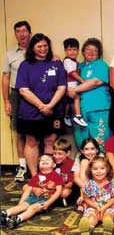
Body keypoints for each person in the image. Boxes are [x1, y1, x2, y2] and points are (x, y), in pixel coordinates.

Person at [15, 33, 66, 177]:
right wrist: (42, 106)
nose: (43, 49)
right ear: (32, 48)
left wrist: (50, 106)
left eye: (45, 46)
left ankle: (49, 175)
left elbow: (62, 87)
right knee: (32, 141)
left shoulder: (56, 64)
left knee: (50, 140)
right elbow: (23, 90)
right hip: (30, 111)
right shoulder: (25, 65)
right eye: (39, 46)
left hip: (54, 109)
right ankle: (35, 176)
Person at [68, 38, 111, 151]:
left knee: (100, 142)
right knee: (82, 143)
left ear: (99, 53)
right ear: (82, 51)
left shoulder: (101, 64)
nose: (91, 52)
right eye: (88, 49)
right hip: (80, 112)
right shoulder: (79, 66)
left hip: (98, 108)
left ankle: (102, 167)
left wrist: (74, 90)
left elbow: (96, 82)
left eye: (95, 50)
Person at [0, 153, 64, 229]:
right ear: (39, 165)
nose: (44, 161)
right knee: (22, 206)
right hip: (33, 197)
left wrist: (48, 203)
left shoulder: (56, 176)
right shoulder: (36, 176)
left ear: (54, 165)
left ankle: (18, 219)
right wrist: (21, 202)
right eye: (42, 160)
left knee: (33, 208)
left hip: (46, 199)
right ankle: (5, 213)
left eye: (47, 160)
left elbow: (58, 191)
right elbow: (28, 190)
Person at [2, 20, 31, 181]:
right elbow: (5, 77)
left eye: (24, 31)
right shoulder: (10, 54)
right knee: (19, 131)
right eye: (18, 31)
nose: (21, 34)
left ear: (30, 33)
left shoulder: (37, 50)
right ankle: (22, 166)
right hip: (16, 95)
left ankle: (41, 166)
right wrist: (7, 101)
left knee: (36, 132)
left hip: (35, 94)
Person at [77, 157, 114, 234]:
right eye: (95, 169)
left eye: (102, 168)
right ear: (90, 170)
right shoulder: (88, 184)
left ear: (108, 169)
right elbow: (86, 198)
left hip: (108, 206)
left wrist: (104, 207)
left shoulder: (112, 183)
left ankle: (109, 227)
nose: (99, 172)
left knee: (108, 216)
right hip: (94, 206)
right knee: (92, 216)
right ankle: (88, 227)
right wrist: (96, 206)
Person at [62, 37, 87, 127]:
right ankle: (78, 116)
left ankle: (67, 116)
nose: (72, 52)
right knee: (76, 98)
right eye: (69, 50)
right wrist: (82, 81)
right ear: (65, 51)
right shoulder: (68, 61)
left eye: (74, 49)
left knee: (69, 102)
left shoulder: (74, 61)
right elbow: (72, 73)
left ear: (78, 50)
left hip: (72, 85)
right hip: (69, 85)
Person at [72, 138, 103, 211]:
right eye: (86, 149)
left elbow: (104, 175)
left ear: (97, 150)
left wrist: (92, 161)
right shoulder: (79, 157)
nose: (90, 152)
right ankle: (86, 201)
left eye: (92, 149)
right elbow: (76, 178)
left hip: (100, 184)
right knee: (84, 162)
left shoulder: (101, 156)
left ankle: (89, 201)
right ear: (82, 151)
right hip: (83, 186)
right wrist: (87, 190)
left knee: (95, 163)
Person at [52, 138, 75, 206]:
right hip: (53, 187)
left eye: (60, 154)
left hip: (66, 188)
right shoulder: (52, 161)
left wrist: (55, 187)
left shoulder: (72, 164)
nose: (56, 156)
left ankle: (55, 200)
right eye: (54, 153)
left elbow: (69, 185)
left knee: (64, 193)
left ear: (68, 153)